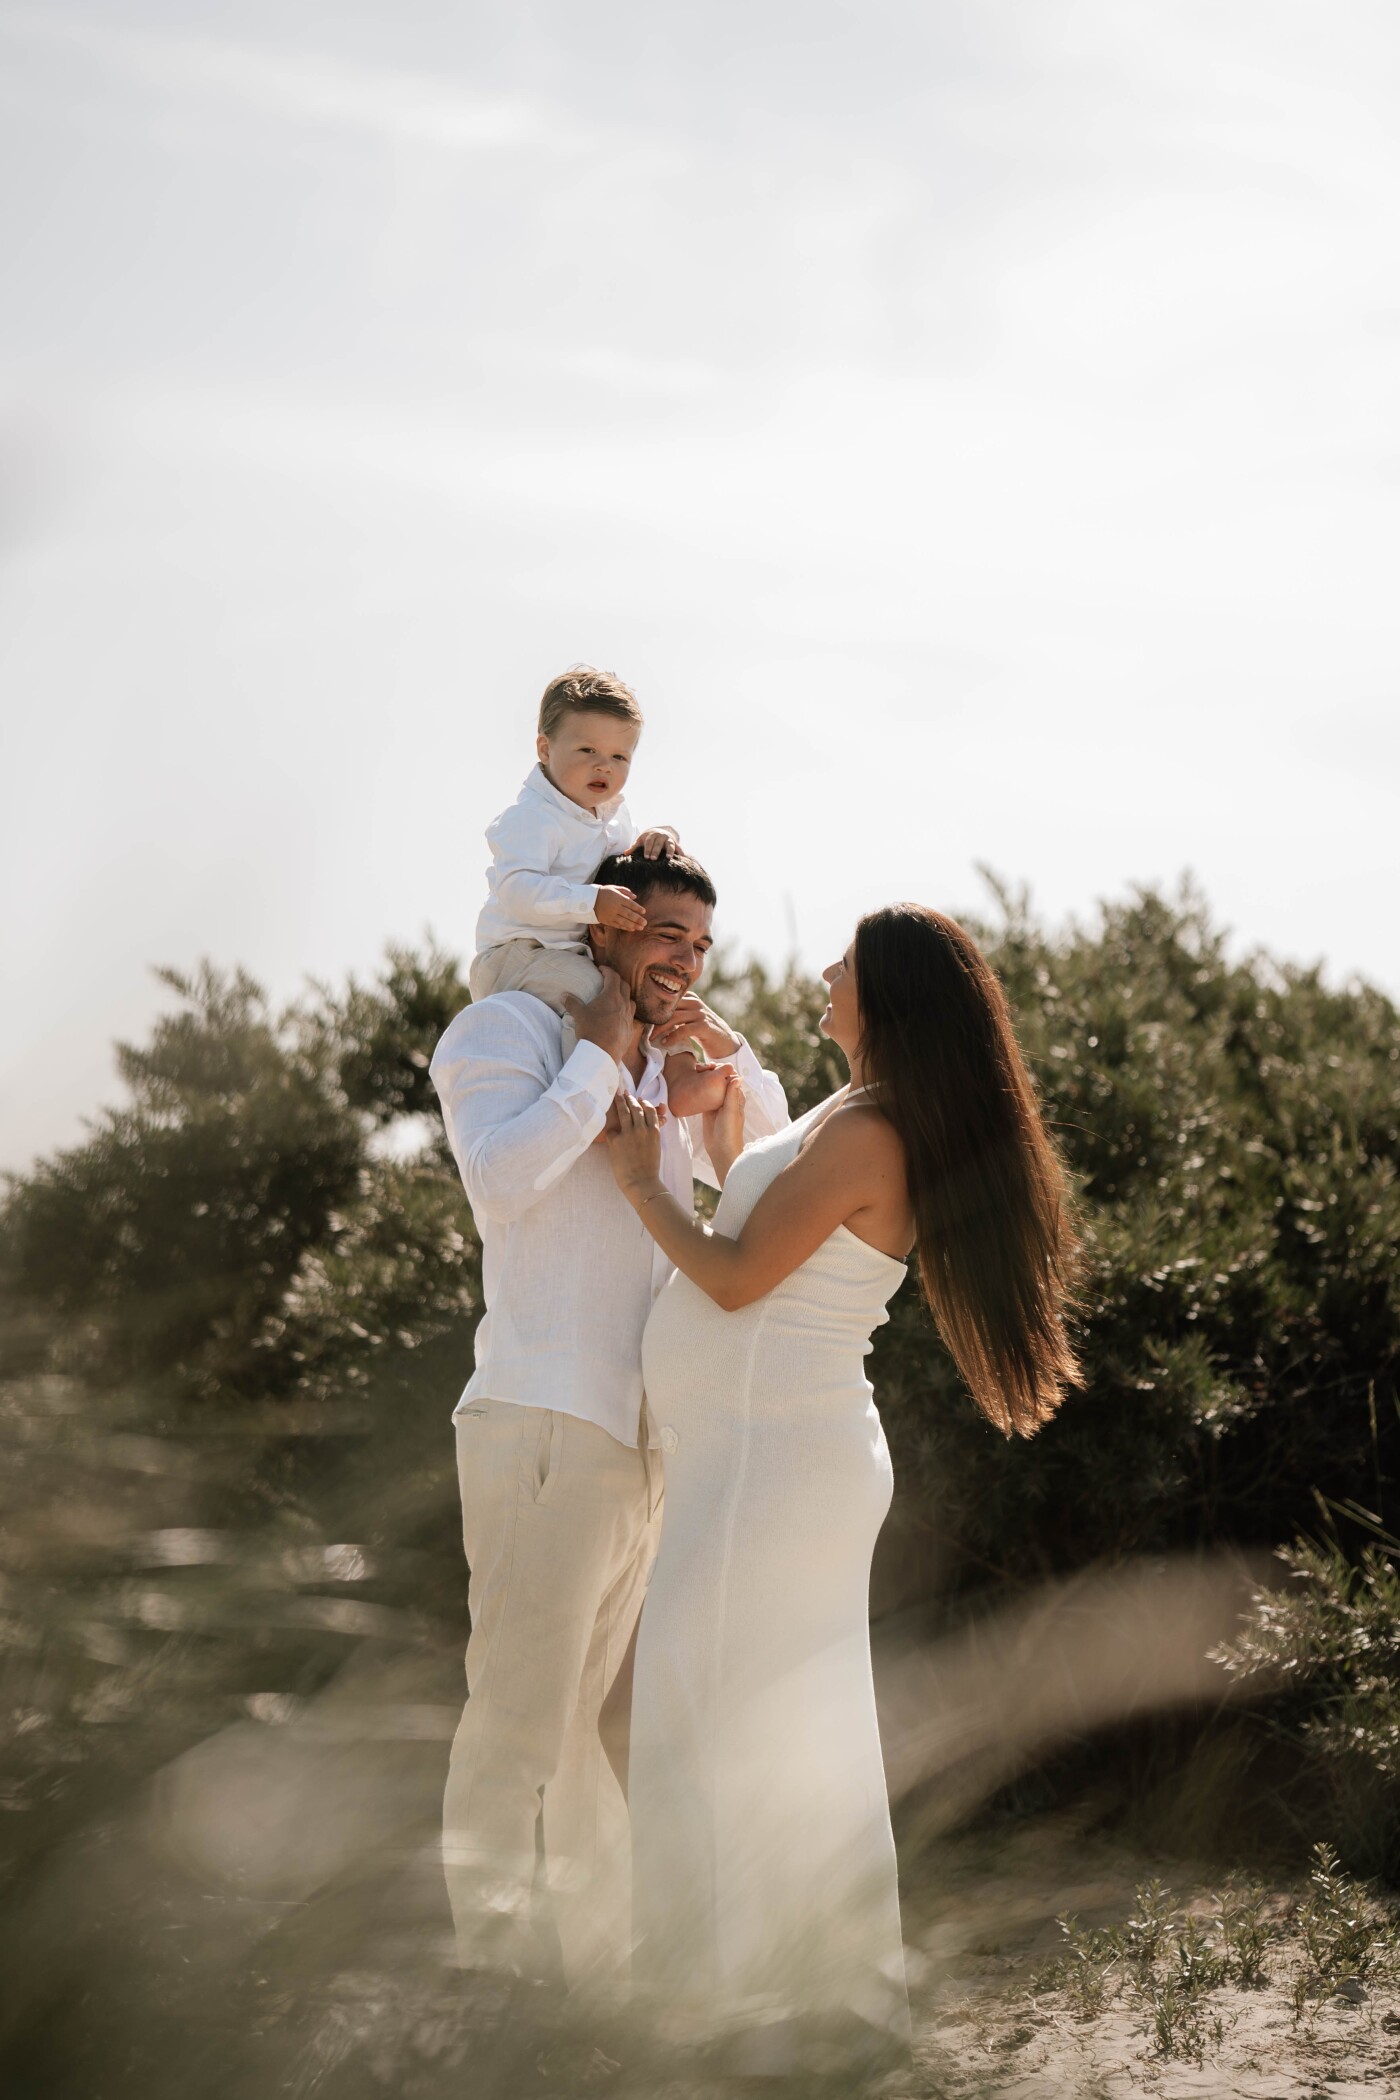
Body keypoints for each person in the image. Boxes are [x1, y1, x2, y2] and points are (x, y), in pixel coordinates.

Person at [604, 902, 1081, 2073]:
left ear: (888, 999)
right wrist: (721, 1115)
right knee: (747, 1719)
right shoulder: (855, 1115)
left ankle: (729, 1997)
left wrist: (637, 1176)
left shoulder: (870, 1134)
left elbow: (732, 1276)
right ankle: (788, 1992)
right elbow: (767, 1221)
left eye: (848, 963)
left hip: (771, 1467)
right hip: (765, 1462)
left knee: (681, 1711)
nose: (824, 969)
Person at [430, 843, 789, 1996]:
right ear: (603, 924)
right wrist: (595, 1049)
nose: (683, 957)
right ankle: (492, 1992)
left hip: (639, 1440)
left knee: (592, 1732)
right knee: (518, 1722)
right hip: (539, 1416)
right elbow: (500, 1179)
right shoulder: (499, 1032)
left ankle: (590, 1989)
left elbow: (769, 1156)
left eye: (700, 943)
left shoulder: (668, 1071)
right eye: (663, 933)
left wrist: (711, 1043)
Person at [468, 662, 711, 1114]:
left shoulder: (613, 814)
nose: (604, 766)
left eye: (620, 757)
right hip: (516, 953)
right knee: (596, 997)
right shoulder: (531, 818)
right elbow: (517, 890)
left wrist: (661, 834)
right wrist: (591, 903)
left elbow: (627, 863)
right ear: (545, 748)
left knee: (645, 992)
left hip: (570, 952)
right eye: (587, 750)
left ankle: (678, 1070)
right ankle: (597, 1102)